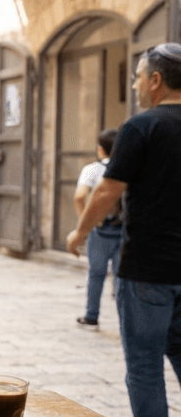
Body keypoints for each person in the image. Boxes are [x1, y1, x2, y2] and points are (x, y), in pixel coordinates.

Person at [67, 42, 181, 417]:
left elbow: (106, 192)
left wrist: (80, 233)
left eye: (136, 76)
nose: (134, 85)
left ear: (155, 80)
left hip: (147, 270)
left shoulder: (140, 127)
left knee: (146, 366)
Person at [73, 128, 122, 327]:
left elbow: (79, 196)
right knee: (122, 277)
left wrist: (85, 222)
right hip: (124, 229)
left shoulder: (92, 170)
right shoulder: (128, 168)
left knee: (96, 273)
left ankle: (91, 316)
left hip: (100, 229)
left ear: (100, 150)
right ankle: (124, 321)